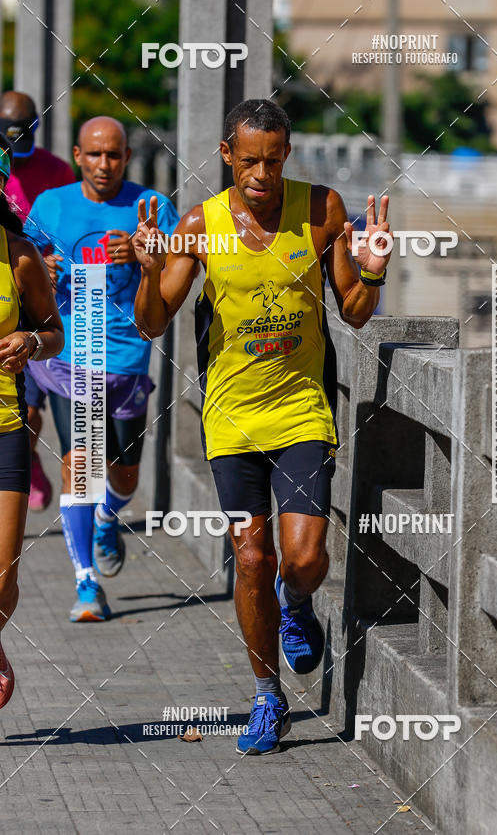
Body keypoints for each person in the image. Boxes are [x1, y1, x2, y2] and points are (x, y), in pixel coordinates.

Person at [133, 99, 390, 754]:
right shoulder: (201, 224)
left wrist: (372, 269)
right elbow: (153, 322)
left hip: (301, 410)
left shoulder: (321, 209)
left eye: (273, 162)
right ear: (227, 155)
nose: (261, 175)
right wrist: (150, 272)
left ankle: (296, 603)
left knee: (303, 560)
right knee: (251, 558)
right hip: (231, 418)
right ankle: (268, 697)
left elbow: (355, 312)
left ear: (287, 155)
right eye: (249, 161)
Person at [23, 116, 179, 622]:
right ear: (77, 156)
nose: (104, 164)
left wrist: (143, 255)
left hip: (128, 356)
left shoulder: (151, 207)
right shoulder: (51, 205)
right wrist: (39, 267)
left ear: (127, 157)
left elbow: (179, 273)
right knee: (82, 464)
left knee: (124, 475)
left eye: (113, 154)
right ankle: (86, 584)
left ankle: (110, 515)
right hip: (73, 355)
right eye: (94, 154)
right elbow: (21, 256)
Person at [0, 133, 64, 706]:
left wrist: (31, 341)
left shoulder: (19, 256)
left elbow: (54, 334)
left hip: (5, 428)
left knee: (3, 578)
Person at [0, 91, 76, 512]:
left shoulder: (57, 173)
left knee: (83, 451)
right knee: (32, 416)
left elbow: (77, 238)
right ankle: (31, 459)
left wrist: (47, 261)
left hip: (65, 311)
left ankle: (99, 523)